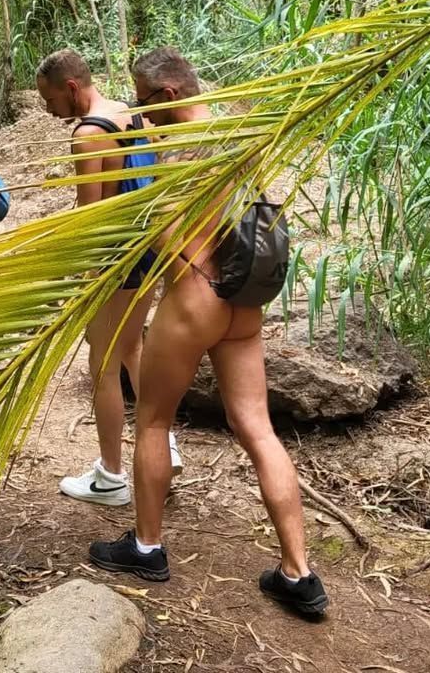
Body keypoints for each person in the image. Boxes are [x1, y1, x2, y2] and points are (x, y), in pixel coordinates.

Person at [88, 46, 329, 616]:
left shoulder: (176, 148)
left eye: (147, 105)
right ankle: (299, 572)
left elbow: (168, 236)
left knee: (152, 418)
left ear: (170, 94)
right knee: (257, 428)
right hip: (245, 300)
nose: (145, 117)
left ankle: (146, 547)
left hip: (197, 296)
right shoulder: (238, 128)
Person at [35, 49, 183, 507]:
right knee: (133, 346)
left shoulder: (87, 137)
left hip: (115, 260)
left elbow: (91, 216)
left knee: (101, 363)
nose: (48, 109)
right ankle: (165, 444)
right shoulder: (128, 113)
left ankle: (111, 477)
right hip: (146, 251)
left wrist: (83, 275)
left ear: (72, 88)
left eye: (50, 98)